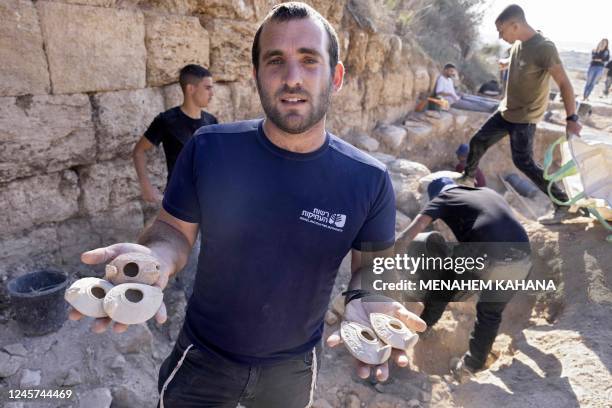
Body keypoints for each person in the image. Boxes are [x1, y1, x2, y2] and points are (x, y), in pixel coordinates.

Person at [72, 3, 425, 407]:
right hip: (203, 356)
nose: (292, 78)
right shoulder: (209, 149)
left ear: (337, 76)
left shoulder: (369, 180)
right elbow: (173, 232)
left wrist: (371, 301)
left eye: (309, 60)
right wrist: (155, 258)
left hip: (293, 371)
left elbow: (371, 270)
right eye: (276, 61)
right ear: (256, 75)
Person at [396, 177, 531, 382]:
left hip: (489, 254)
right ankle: (470, 367)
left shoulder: (442, 197)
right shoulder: (487, 193)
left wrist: (384, 258)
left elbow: (412, 232)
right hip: (522, 257)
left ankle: (423, 326)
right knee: (490, 313)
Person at [457, 4, 583, 225]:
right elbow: (522, 61)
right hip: (506, 111)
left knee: (524, 162)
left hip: (524, 118)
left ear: (515, 25)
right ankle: (468, 178)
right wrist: (507, 63)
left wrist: (572, 118)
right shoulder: (517, 43)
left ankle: (563, 203)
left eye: (502, 30)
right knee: (478, 141)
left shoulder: (544, 48)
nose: (500, 36)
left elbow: (564, 83)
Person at [132, 64, 218, 301]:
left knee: (207, 254)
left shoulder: (211, 122)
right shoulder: (167, 120)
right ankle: (184, 298)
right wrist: (146, 187)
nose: (212, 93)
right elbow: (139, 151)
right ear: (191, 88)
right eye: (208, 88)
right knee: (186, 254)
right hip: (179, 203)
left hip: (208, 202)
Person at [434, 63, 499, 113]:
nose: (452, 73)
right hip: (452, 101)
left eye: (452, 71)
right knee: (472, 106)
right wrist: (451, 94)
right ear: (445, 70)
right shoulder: (441, 79)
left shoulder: (449, 80)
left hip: (456, 96)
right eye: (450, 71)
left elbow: (451, 89)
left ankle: (493, 104)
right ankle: (491, 109)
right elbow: (438, 92)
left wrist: (457, 93)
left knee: (475, 99)